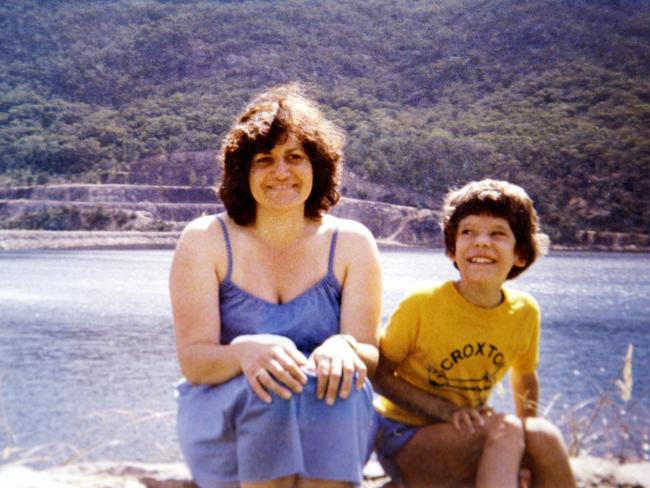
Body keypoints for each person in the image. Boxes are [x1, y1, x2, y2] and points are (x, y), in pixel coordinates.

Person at [169, 84, 382, 488]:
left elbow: (368, 355)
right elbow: (195, 362)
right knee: (271, 389)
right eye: (264, 160)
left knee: (336, 386)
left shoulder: (352, 243)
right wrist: (244, 351)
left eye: (295, 157)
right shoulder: (204, 240)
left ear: (317, 166)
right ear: (242, 172)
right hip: (230, 415)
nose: (281, 171)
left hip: (325, 413)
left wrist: (345, 345)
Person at [372, 179, 575, 488]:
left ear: (520, 254)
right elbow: (379, 374)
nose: (481, 242)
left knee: (543, 435)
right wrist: (445, 411)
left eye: (497, 233)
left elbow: (525, 378)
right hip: (403, 437)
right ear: (453, 249)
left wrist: (528, 448)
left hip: (466, 433)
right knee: (504, 428)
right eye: (468, 232)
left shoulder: (524, 311)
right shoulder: (422, 304)